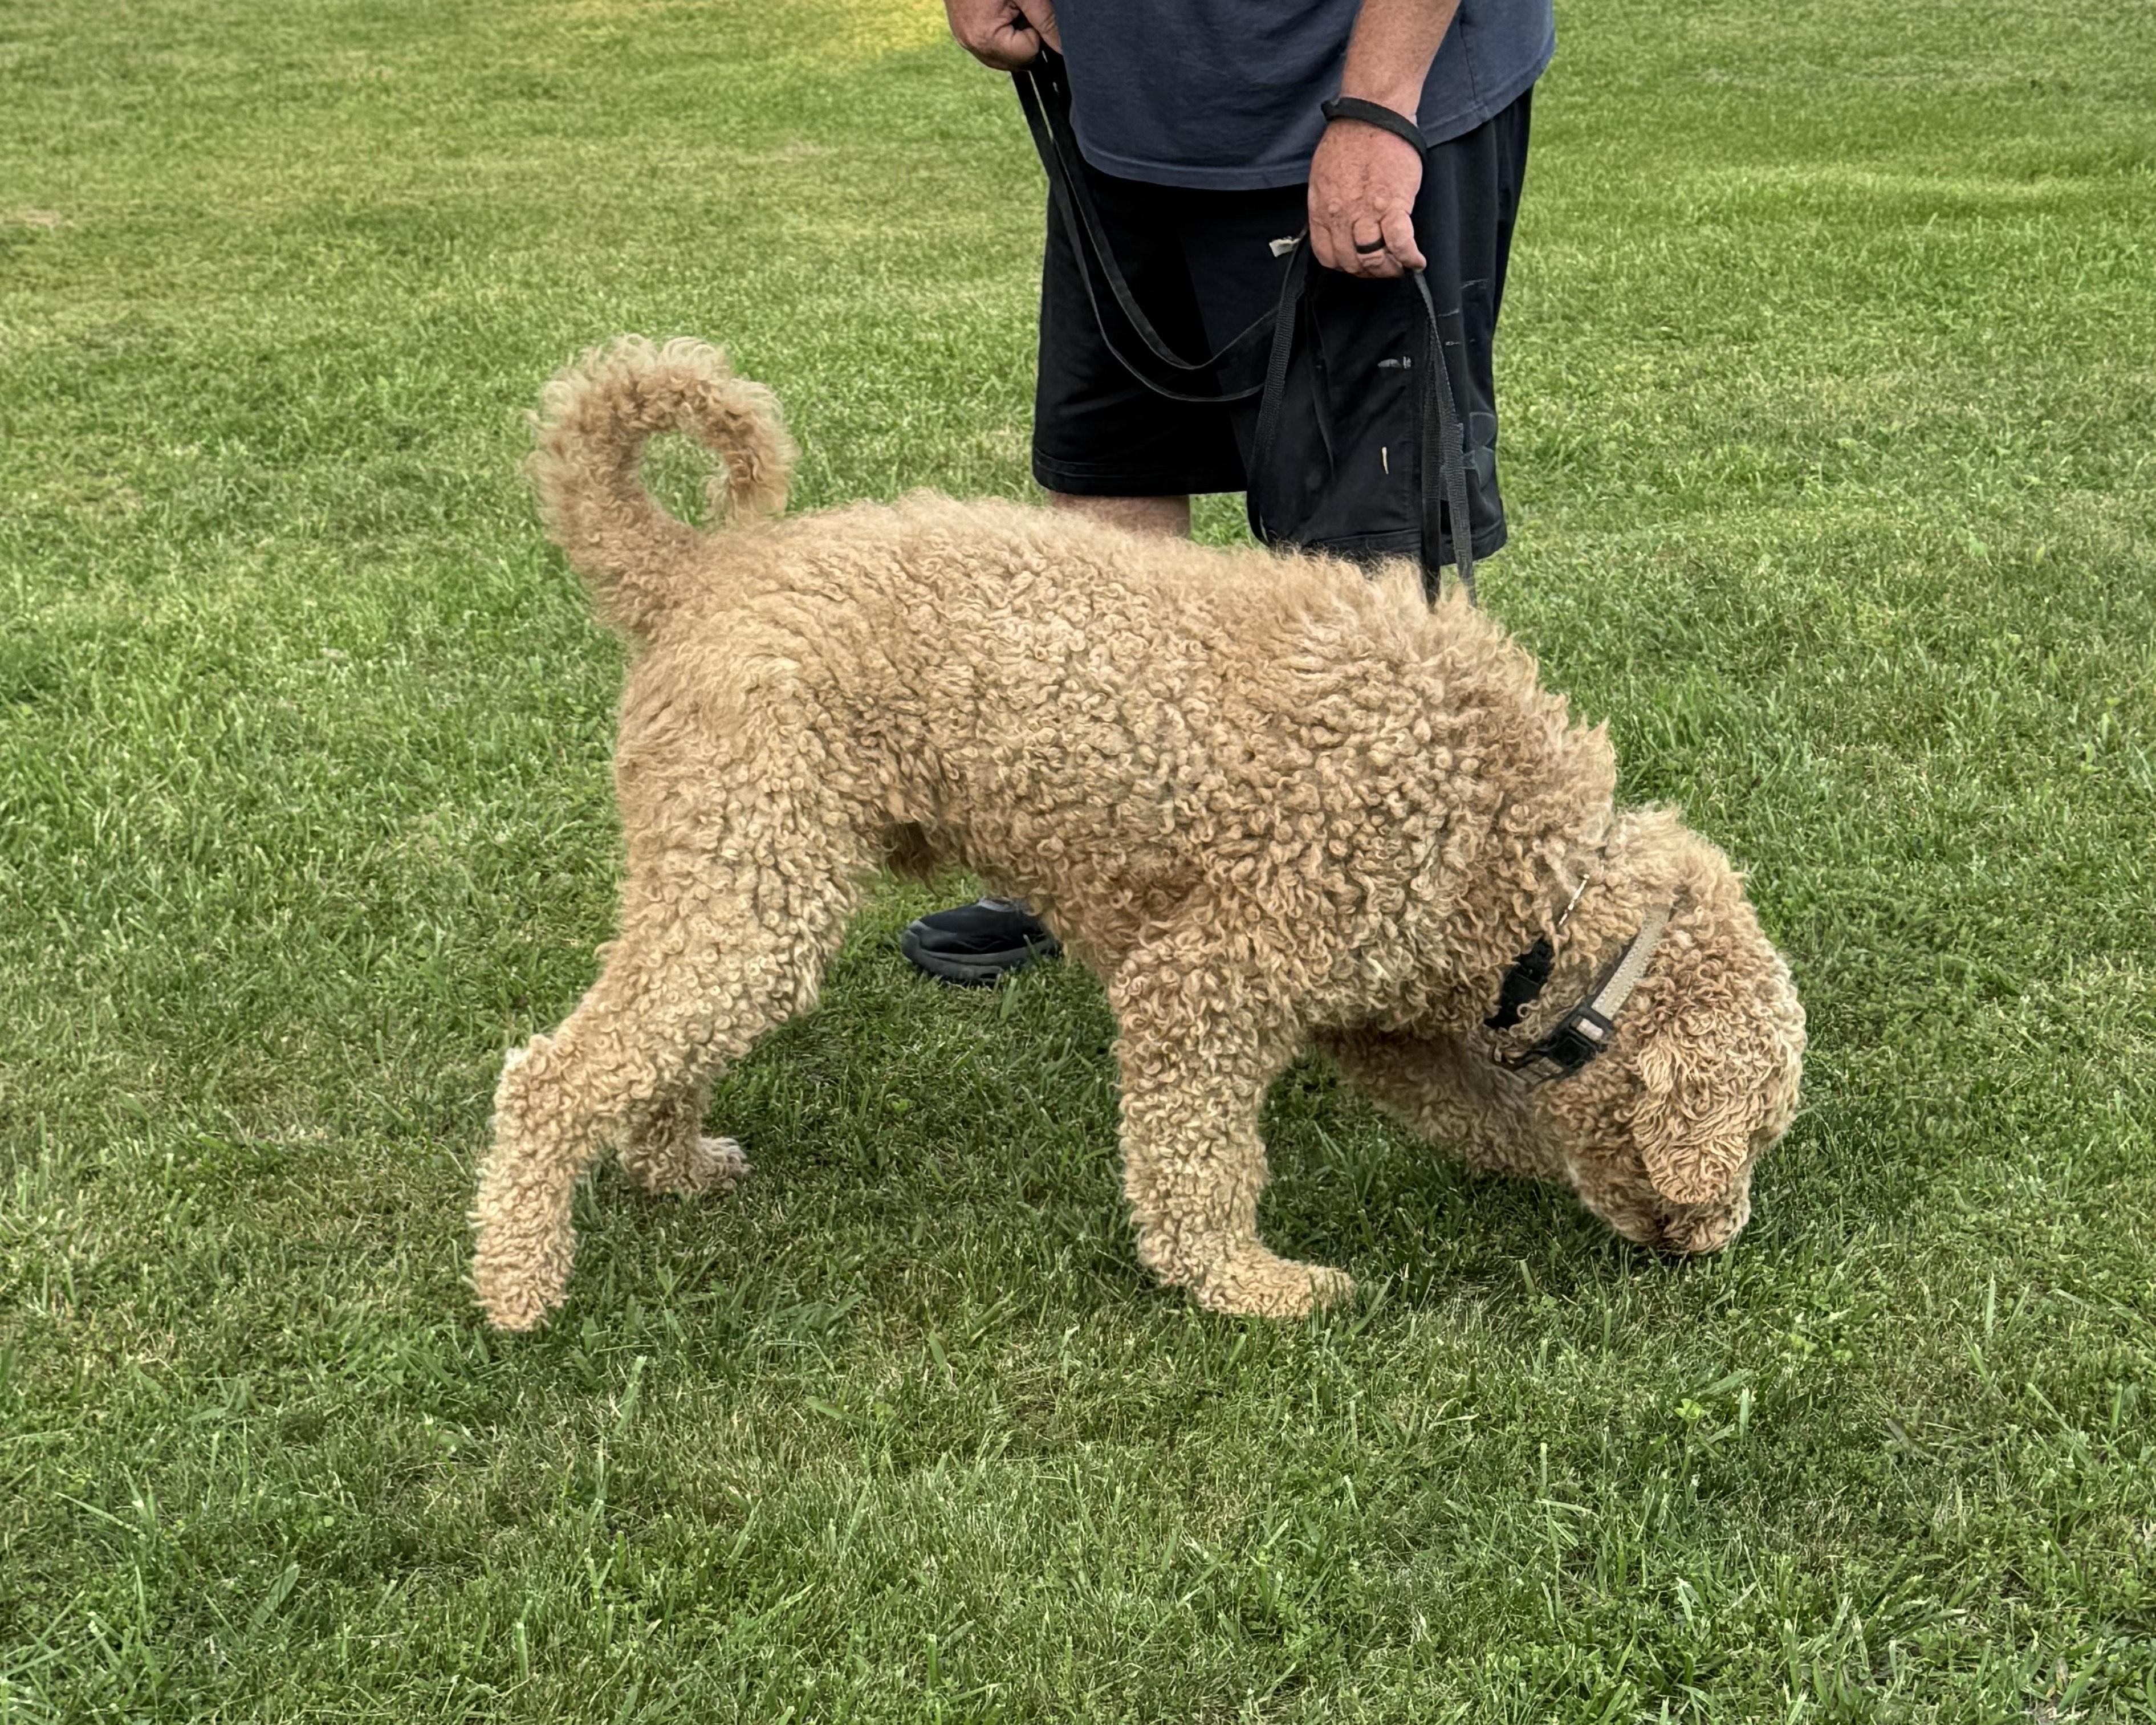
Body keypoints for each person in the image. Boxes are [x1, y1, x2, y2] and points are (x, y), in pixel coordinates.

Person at [902, 0, 1553, 985]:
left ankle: (1384, 907)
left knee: (1356, 563)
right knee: (1107, 488)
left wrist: (1378, 106)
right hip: (1126, 97)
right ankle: (1107, 864)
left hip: (1348, 84)